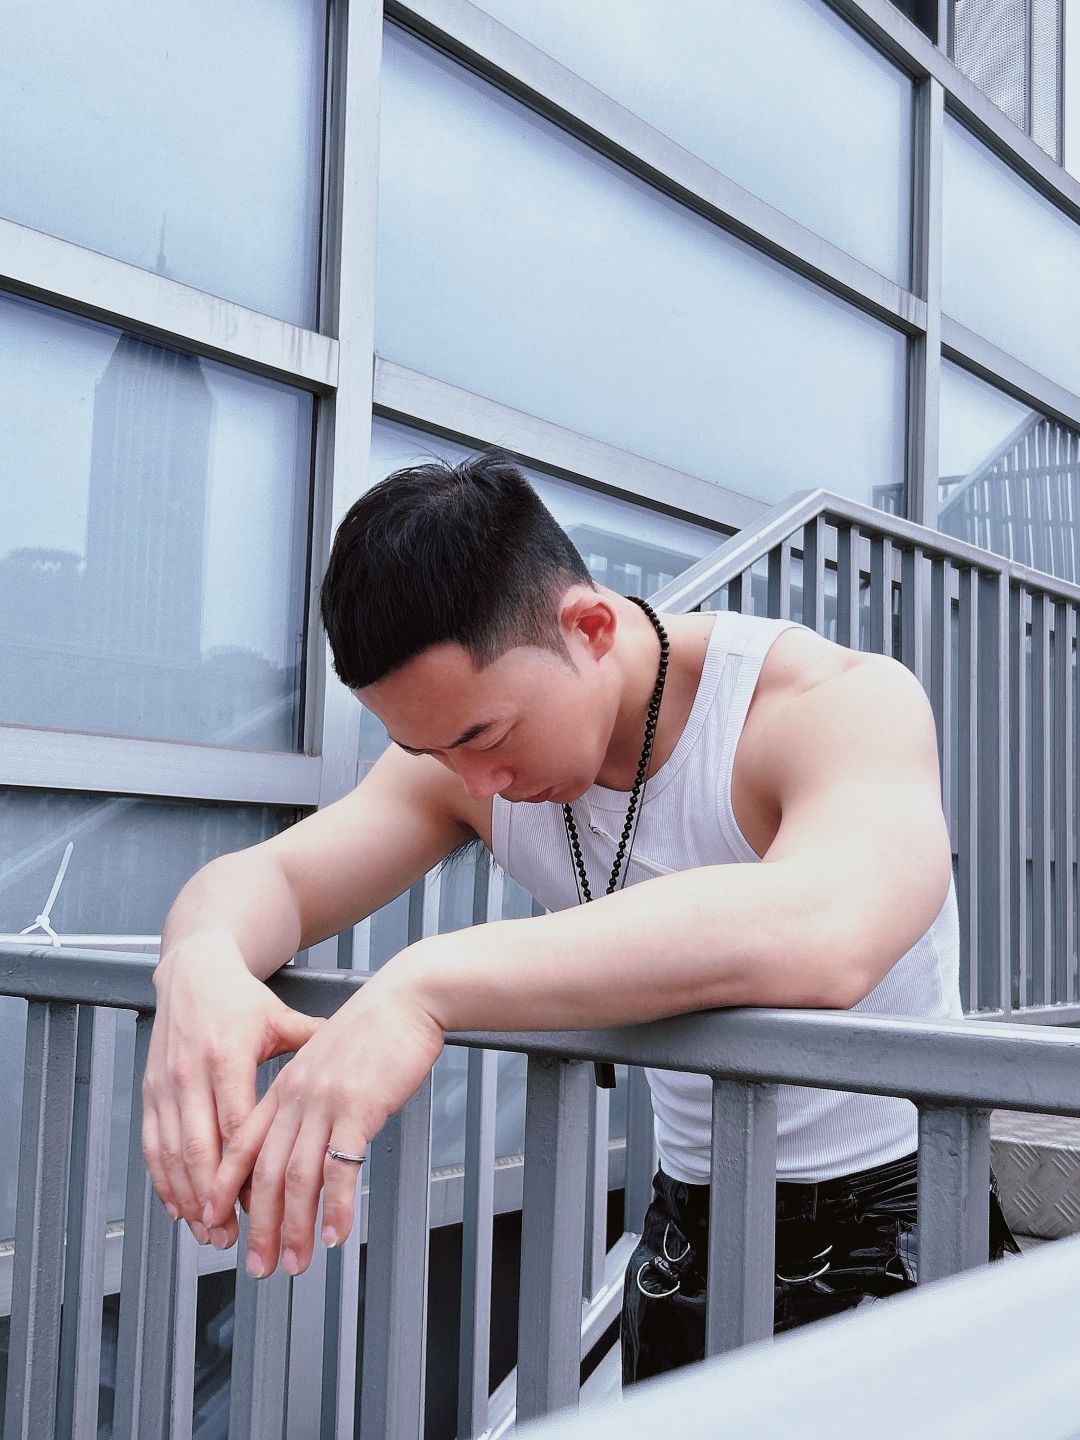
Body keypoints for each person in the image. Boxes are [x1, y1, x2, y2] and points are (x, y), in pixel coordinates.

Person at [144, 452, 1016, 1386]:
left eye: (485, 736)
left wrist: (423, 986)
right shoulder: (464, 761)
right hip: (688, 1229)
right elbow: (273, 879)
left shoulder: (828, 702)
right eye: (427, 750)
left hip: (899, 1221)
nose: (476, 783)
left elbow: (829, 927)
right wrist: (199, 962)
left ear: (591, 627)